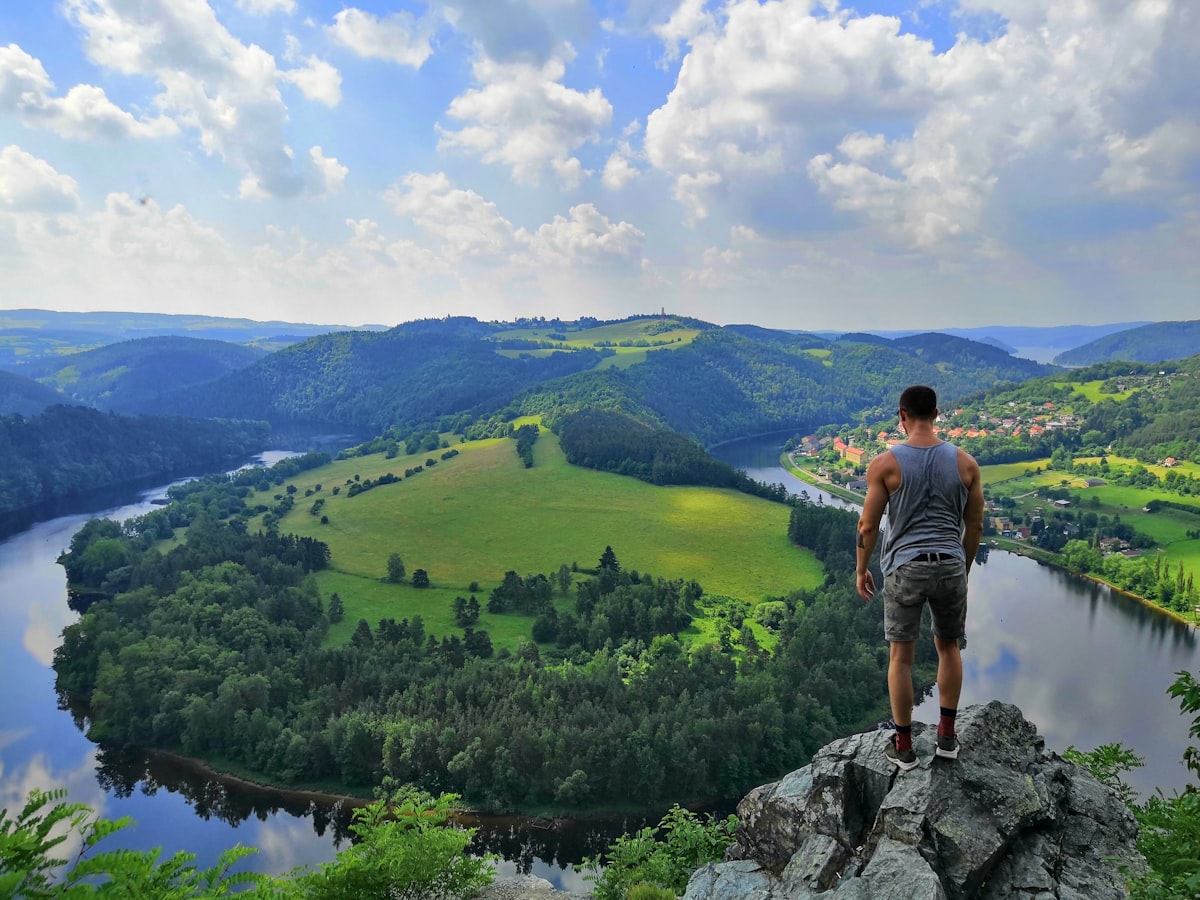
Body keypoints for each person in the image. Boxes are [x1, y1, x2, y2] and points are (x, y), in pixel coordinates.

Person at [855, 385, 985, 771]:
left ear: (902, 415)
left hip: (904, 568)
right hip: (949, 563)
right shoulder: (966, 464)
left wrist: (861, 569)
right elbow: (975, 525)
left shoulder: (885, 465)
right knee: (949, 647)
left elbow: (867, 525)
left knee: (902, 657)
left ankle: (905, 747)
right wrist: (962, 566)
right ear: (937, 413)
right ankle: (947, 738)